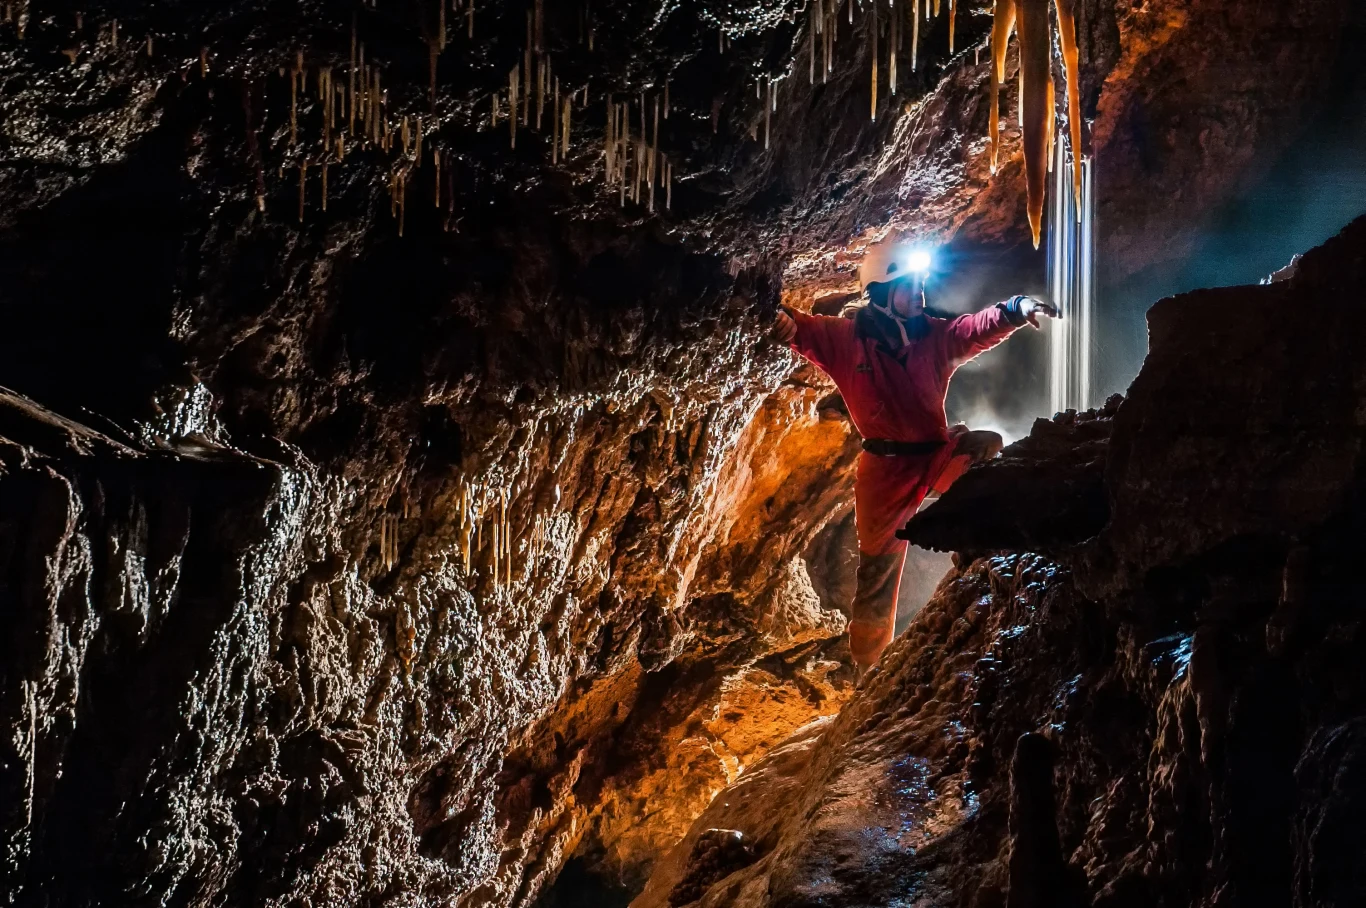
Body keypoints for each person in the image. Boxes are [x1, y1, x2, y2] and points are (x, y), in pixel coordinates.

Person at [773, 239, 1058, 673]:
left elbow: (975, 328)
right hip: (884, 470)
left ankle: (981, 561)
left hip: (934, 454)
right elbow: (803, 330)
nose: (919, 293)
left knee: (985, 447)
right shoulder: (848, 342)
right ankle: (869, 672)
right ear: (882, 296)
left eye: (920, 284)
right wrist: (778, 320)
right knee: (876, 576)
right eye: (908, 286)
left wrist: (1016, 309)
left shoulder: (934, 336)